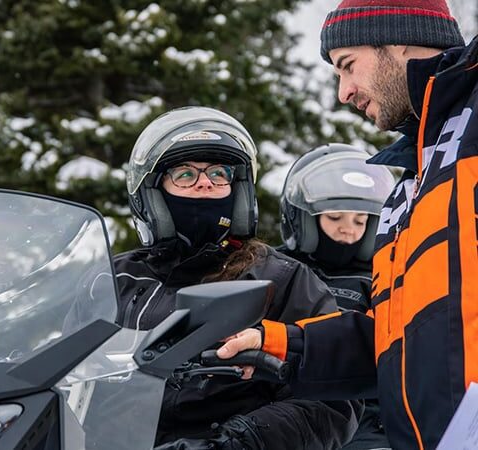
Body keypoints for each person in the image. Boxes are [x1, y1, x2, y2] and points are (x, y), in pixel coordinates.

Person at [217, 1, 478, 449]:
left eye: (348, 65)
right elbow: (399, 339)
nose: (344, 91)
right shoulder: (412, 184)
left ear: (398, 40)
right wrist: (281, 345)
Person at [117, 106, 362, 449]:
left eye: (219, 173)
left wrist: (240, 440)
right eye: (185, 175)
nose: (205, 183)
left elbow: (334, 397)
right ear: (153, 194)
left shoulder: (280, 279)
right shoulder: (117, 277)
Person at [277, 143, 396, 450]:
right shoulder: (276, 270)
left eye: (360, 221)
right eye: (336, 218)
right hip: (280, 410)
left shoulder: (384, 280)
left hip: (364, 419)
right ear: (303, 218)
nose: (348, 231)